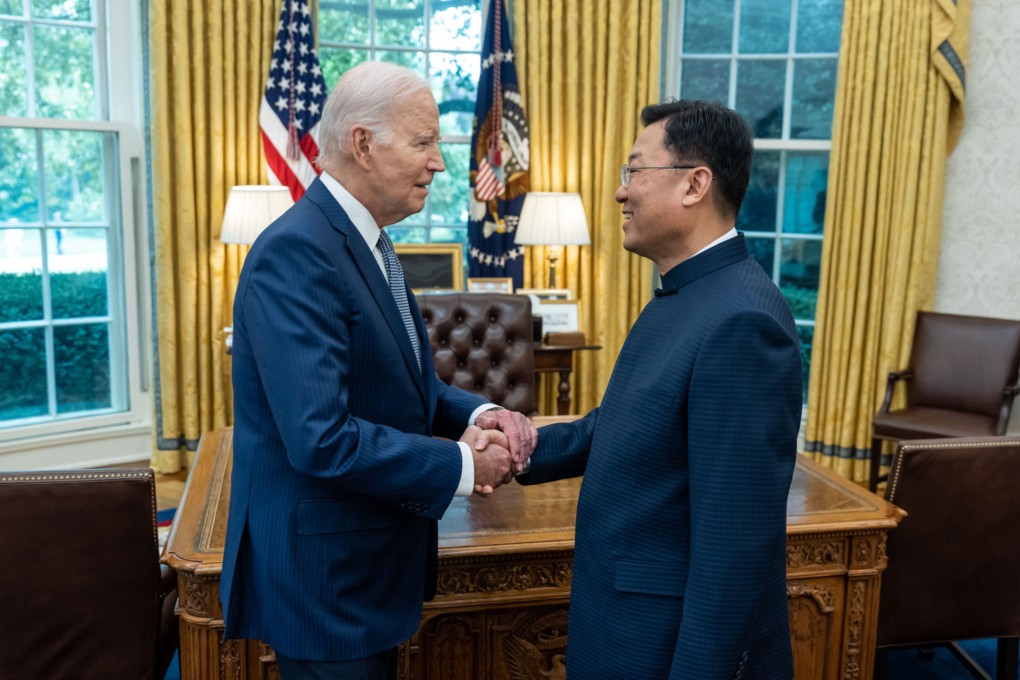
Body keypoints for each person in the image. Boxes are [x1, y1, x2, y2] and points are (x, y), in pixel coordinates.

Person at [220, 61, 537, 680]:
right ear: (363, 144)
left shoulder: (367, 240)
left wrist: (483, 412)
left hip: (365, 570)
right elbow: (322, 439)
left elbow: (406, 384)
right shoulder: (298, 252)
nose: (439, 164)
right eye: (424, 143)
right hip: (326, 586)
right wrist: (466, 464)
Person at [516, 99, 803, 679]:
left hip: (663, 646)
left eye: (635, 170)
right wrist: (523, 447)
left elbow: (734, 553)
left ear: (695, 184)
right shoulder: (686, 292)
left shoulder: (742, 322)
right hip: (621, 626)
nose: (621, 192)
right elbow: (626, 425)